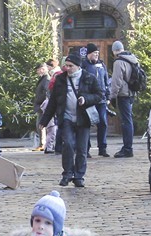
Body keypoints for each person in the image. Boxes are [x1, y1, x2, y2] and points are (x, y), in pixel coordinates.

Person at [39, 53, 104, 188]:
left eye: (70, 66)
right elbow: (53, 102)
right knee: (67, 145)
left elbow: (99, 95)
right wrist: (44, 121)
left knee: (81, 149)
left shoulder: (88, 78)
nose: (67, 68)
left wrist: (86, 99)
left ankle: (79, 176)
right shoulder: (60, 80)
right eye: (66, 66)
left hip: (83, 118)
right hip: (66, 117)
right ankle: (67, 173)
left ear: (78, 66)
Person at [81, 43, 111, 157]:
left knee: (103, 123)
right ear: (89, 54)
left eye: (98, 53)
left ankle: (102, 148)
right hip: (89, 99)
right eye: (94, 53)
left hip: (101, 99)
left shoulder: (101, 65)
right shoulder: (84, 65)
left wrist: (107, 96)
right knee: (87, 124)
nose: (96, 55)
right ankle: (86, 149)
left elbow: (106, 80)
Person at [109, 40, 138, 158]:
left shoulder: (119, 62)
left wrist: (112, 96)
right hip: (131, 93)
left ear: (114, 51)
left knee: (126, 121)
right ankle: (128, 147)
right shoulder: (133, 58)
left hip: (123, 94)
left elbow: (116, 81)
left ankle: (127, 148)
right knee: (128, 119)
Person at [33, 63, 50, 151]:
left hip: (43, 106)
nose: (37, 72)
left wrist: (45, 104)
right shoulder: (42, 78)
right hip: (40, 105)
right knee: (39, 124)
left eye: (38, 70)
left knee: (41, 124)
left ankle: (43, 143)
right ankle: (42, 143)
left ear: (42, 69)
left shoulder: (46, 79)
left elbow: (48, 91)